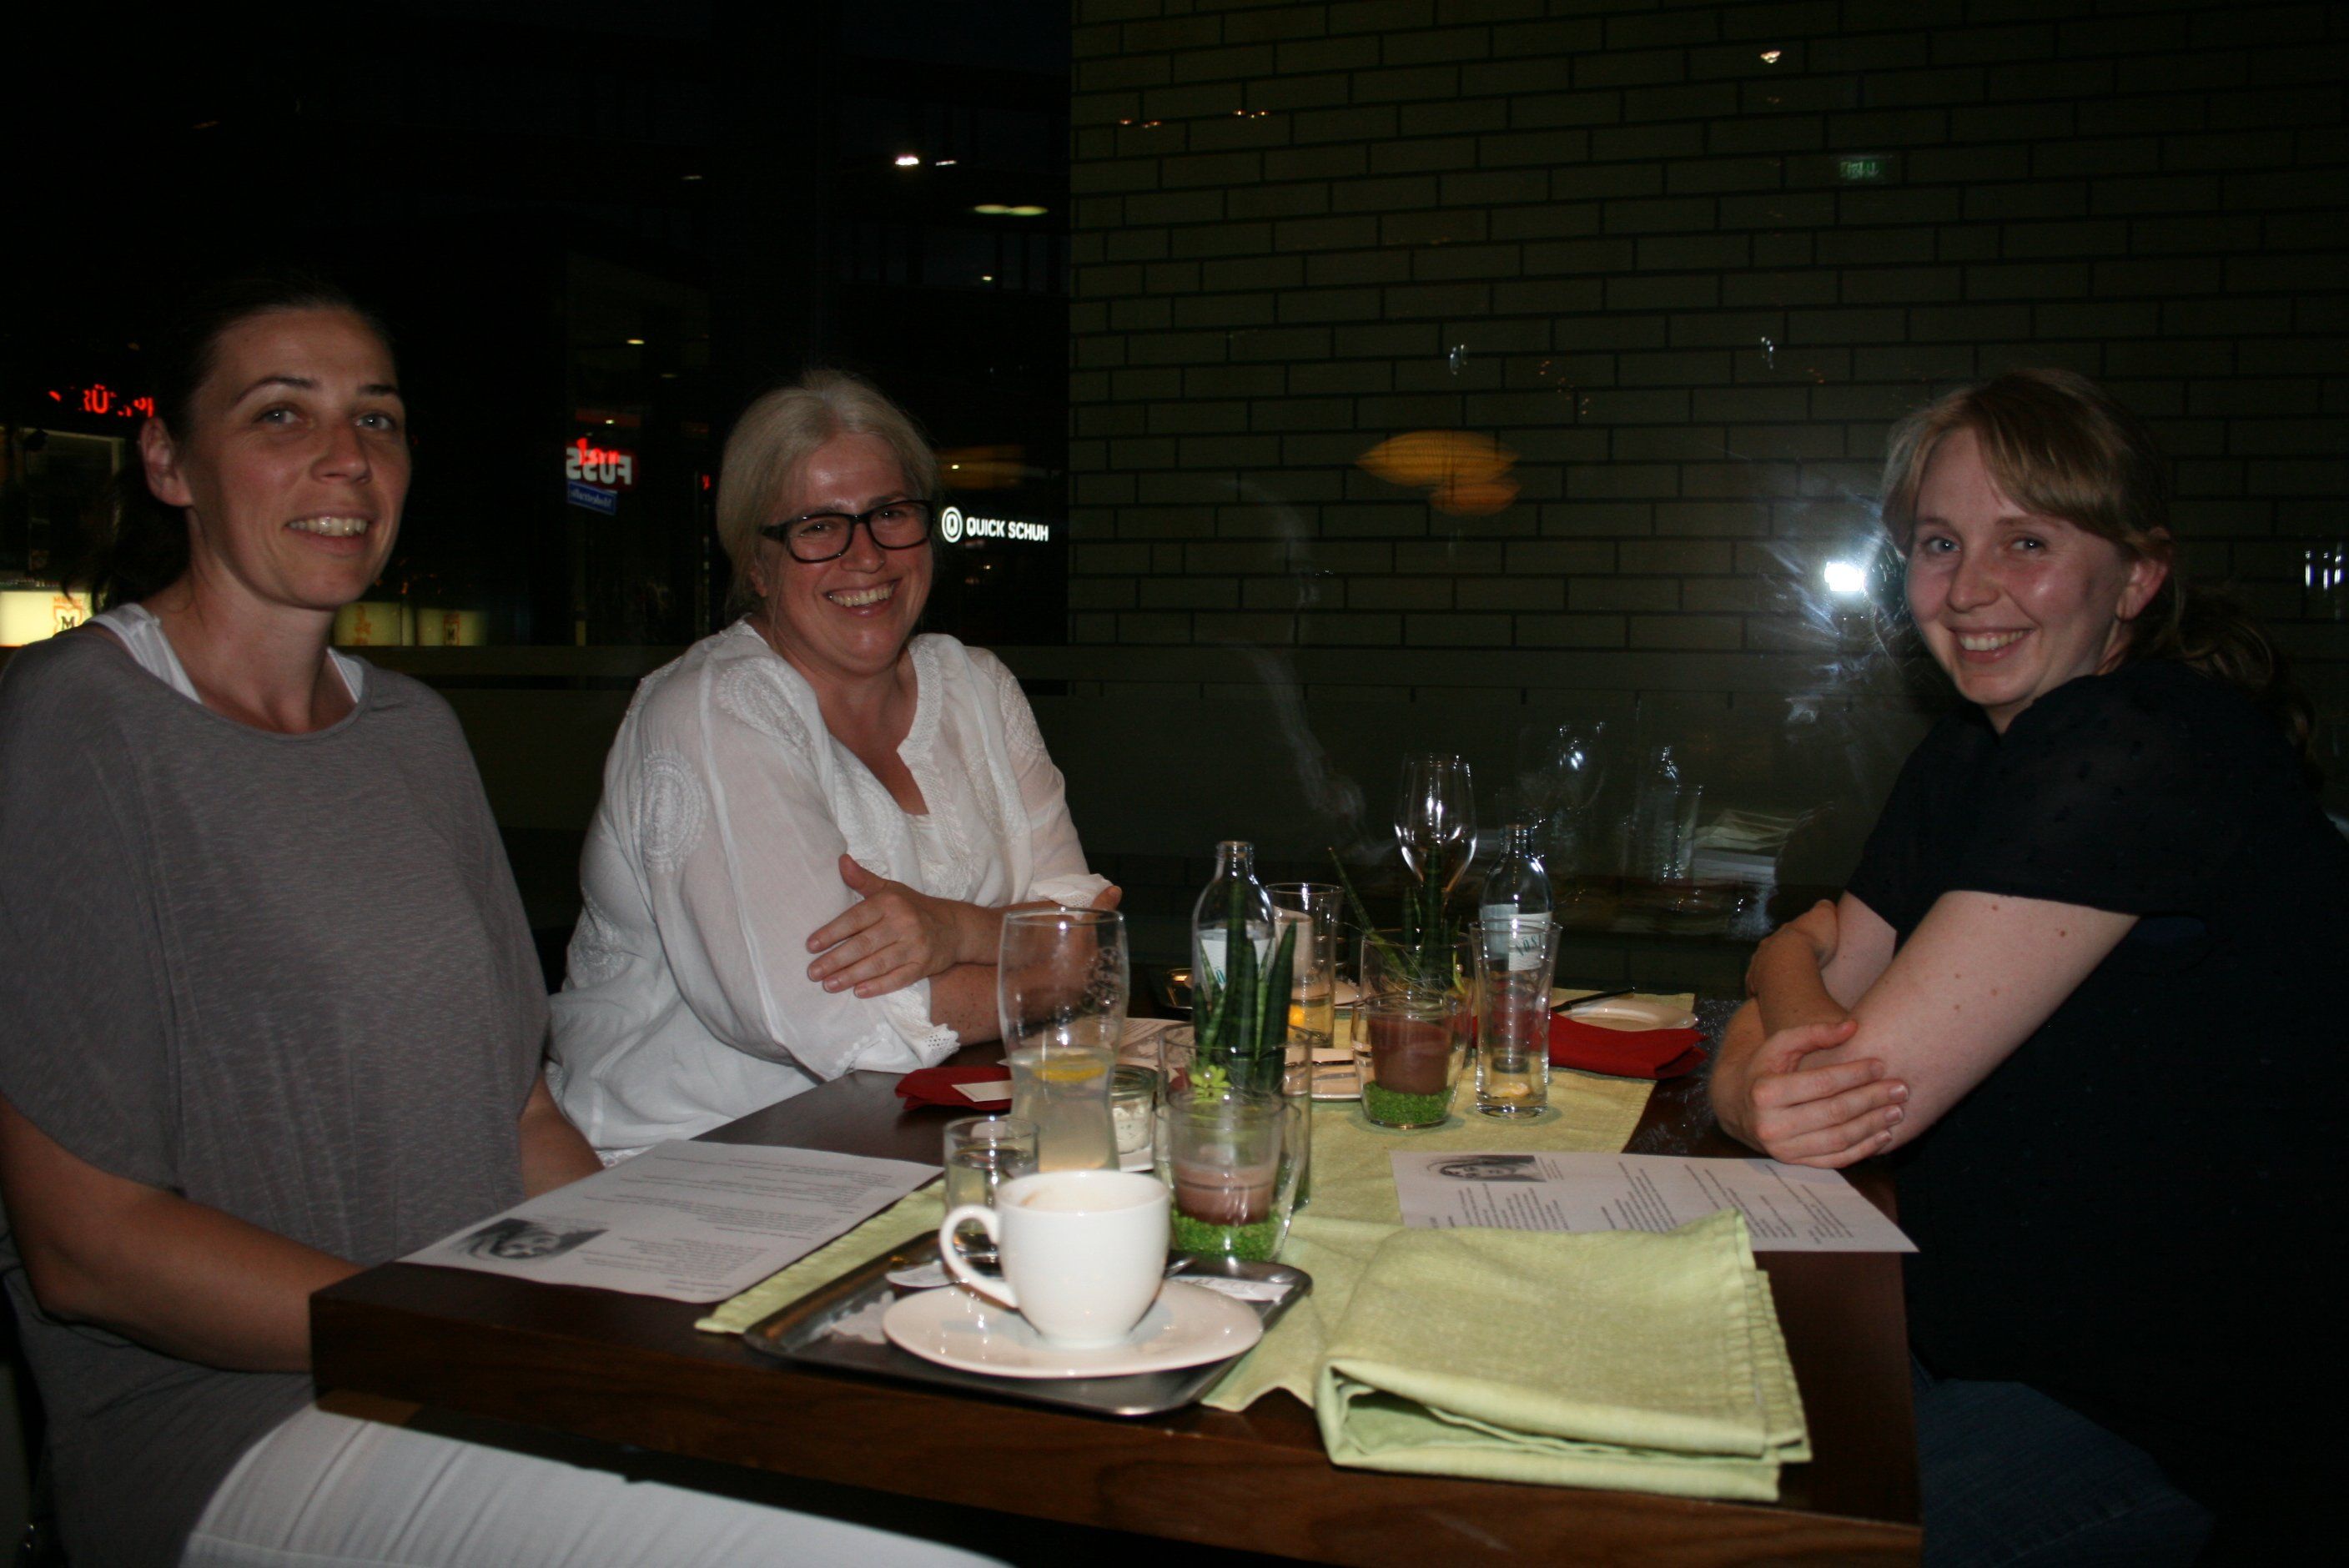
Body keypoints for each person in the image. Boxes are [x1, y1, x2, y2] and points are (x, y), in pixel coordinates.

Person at [0, 278, 1003, 1568]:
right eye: (280, 414)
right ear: (167, 460)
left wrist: (645, 1298)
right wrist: (471, 1334)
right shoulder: (74, 725)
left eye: (377, 418)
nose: (345, 458)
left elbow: (524, 1119)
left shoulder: (411, 733)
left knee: (931, 1442)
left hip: (488, 1346)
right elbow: (86, 1248)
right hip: (252, 1421)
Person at [1708, 369, 2348, 1565]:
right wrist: (1777, 1030)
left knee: (1734, 1546)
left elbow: (1842, 1088)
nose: (1969, 588)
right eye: (1938, 542)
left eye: (2028, 541)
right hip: (1967, 1334)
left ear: (2136, 577)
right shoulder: (1968, 753)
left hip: (2169, 1418)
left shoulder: (2140, 743)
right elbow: (1816, 1010)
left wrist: (1772, 997)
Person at [549, 371, 1111, 1156]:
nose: (867, 555)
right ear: (757, 564)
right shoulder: (713, 710)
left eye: (890, 514)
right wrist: (1046, 978)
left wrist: (954, 929)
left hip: (917, 1138)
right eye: (819, 527)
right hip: (696, 1166)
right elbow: (828, 1020)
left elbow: (1086, 925)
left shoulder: (976, 685)